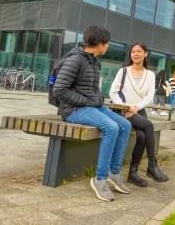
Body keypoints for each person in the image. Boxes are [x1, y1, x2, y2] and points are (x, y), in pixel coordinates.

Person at [54, 26, 132, 202]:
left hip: (93, 106)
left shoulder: (95, 60)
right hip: (73, 110)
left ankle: (114, 172)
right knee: (111, 128)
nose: (108, 46)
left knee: (125, 125)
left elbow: (92, 87)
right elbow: (59, 90)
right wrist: (88, 102)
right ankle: (100, 178)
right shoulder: (76, 60)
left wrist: (98, 99)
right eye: (108, 43)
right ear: (99, 44)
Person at [110, 42, 168, 188]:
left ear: (145, 54)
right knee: (149, 125)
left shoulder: (150, 75)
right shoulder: (123, 71)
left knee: (142, 136)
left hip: (139, 110)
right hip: (122, 110)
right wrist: (126, 107)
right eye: (133, 51)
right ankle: (152, 166)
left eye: (139, 51)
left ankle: (133, 173)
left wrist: (137, 107)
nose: (135, 54)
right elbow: (113, 92)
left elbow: (149, 96)